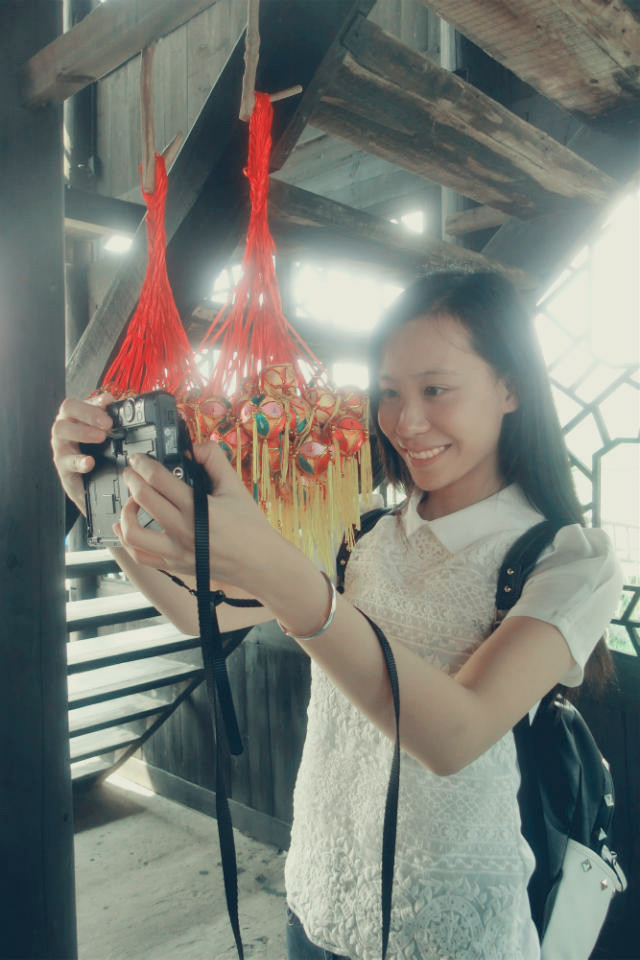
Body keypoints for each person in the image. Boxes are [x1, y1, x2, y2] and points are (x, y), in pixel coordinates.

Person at [52, 272, 622, 960]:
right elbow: (191, 612)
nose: (405, 422)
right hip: (315, 902)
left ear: (511, 388)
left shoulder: (569, 558)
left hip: (447, 931)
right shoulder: (361, 529)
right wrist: (100, 505)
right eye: (390, 392)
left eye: (436, 390)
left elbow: (456, 735)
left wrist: (281, 572)